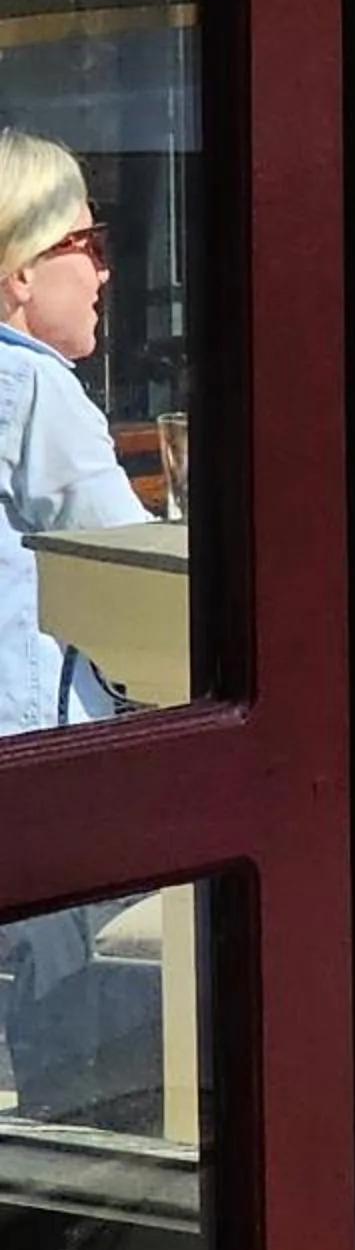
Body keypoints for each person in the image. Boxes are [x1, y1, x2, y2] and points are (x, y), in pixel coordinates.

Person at [0, 127, 163, 1130]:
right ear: (18, 271)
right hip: (36, 782)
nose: (105, 267)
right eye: (84, 242)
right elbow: (145, 593)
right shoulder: (31, 390)